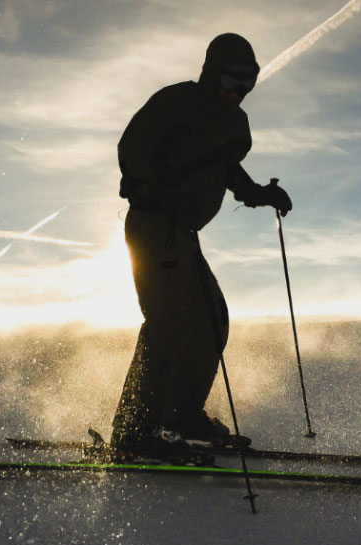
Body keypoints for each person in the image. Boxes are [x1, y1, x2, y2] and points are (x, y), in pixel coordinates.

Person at [109, 33, 293, 458]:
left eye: (248, 82)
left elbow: (228, 169)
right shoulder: (177, 102)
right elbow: (132, 147)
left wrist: (261, 193)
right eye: (232, 79)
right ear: (212, 73)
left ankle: (180, 416)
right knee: (169, 323)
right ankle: (136, 431)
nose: (239, 90)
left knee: (212, 319)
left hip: (184, 234)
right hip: (156, 224)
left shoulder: (234, 124)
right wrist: (150, 189)